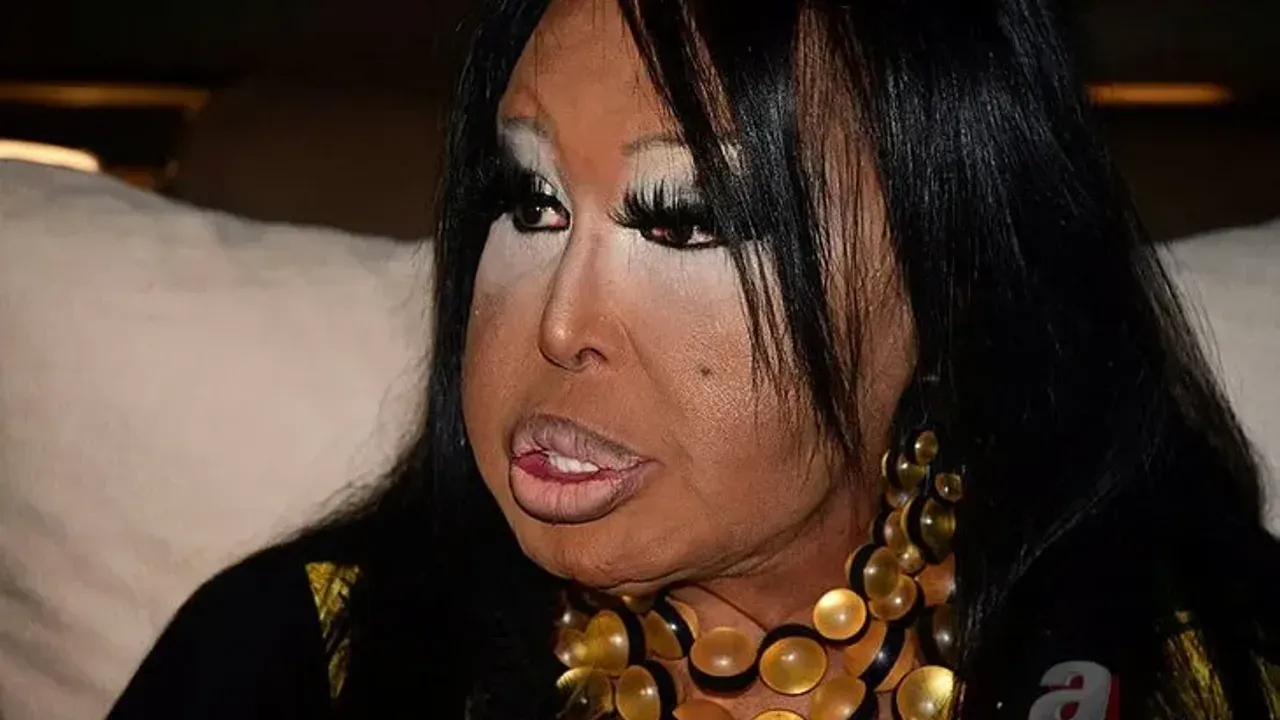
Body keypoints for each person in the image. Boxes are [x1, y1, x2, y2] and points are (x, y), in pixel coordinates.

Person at [109, 0, 1280, 718]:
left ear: (952, 283)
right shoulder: (289, 655)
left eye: (680, 222)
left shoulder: (1188, 656)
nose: (559, 324)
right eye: (528, 202)